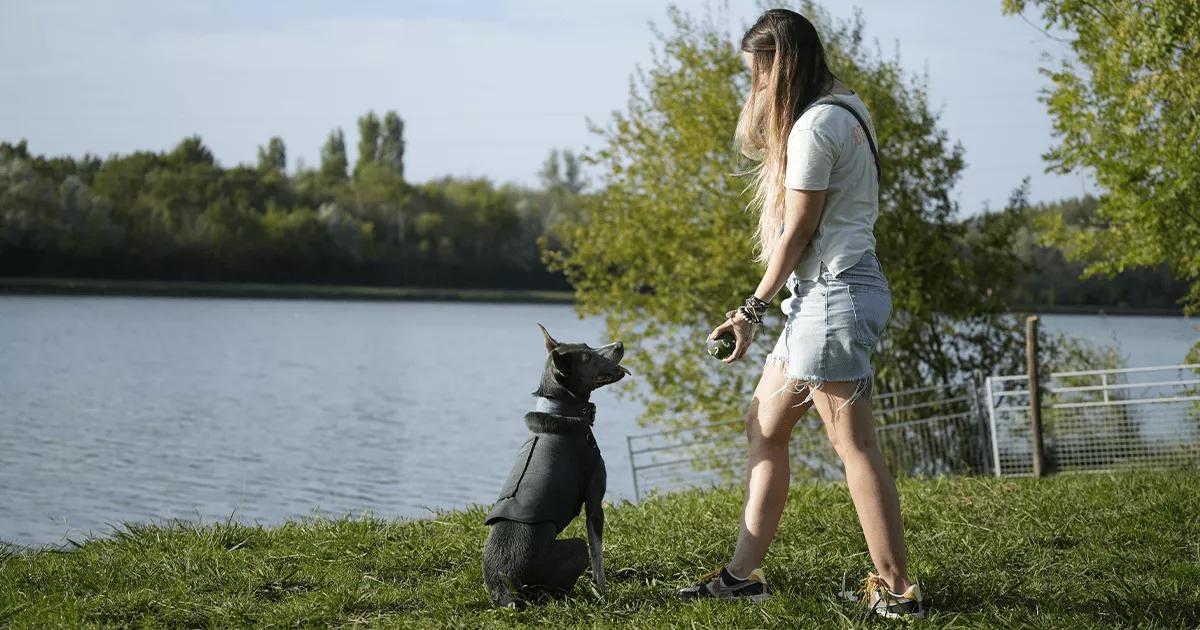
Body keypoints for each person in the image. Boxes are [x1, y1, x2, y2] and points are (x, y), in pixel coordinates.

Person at [675, 8, 924, 619]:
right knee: (764, 427)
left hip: (832, 300)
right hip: (823, 298)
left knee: (854, 446)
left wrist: (750, 310)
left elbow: (796, 228)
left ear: (779, 65)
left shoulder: (815, 127)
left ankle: (898, 594)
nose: (754, 87)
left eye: (757, 72)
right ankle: (742, 575)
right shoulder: (848, 106)